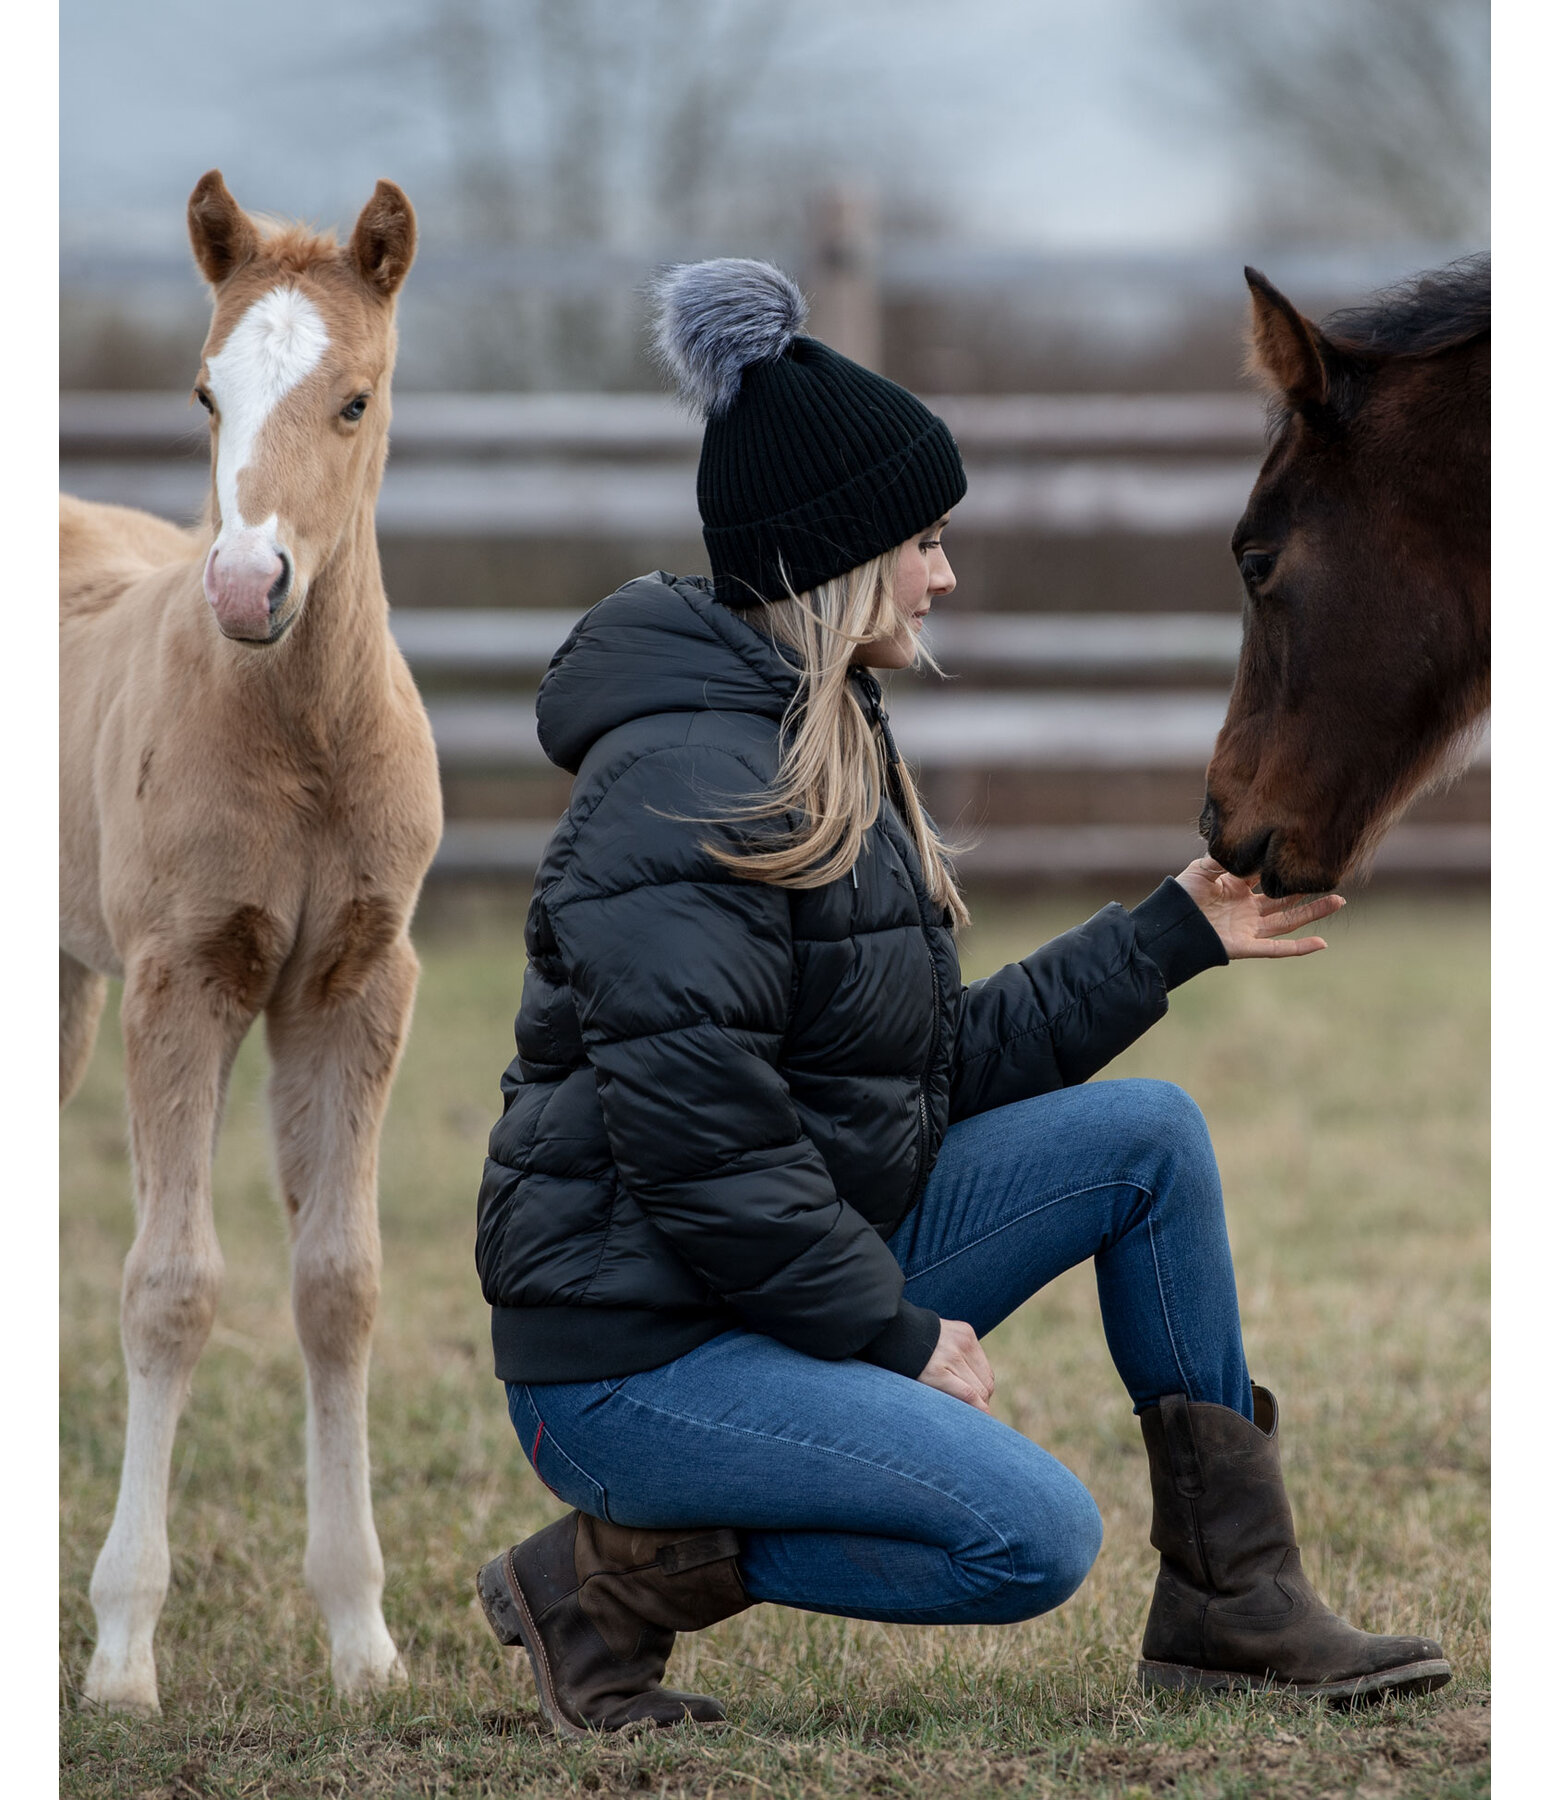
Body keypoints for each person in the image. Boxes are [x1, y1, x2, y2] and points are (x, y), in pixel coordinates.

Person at [470, 260, 1450, 1738]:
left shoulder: (817, 732)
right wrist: (894, 1334)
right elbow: (704, 1152)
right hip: (634, 1357)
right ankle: (602, 1582)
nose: (942, 576)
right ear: (841, 556)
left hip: (747, 1284)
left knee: (1147, 1140)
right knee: (1027, 1541)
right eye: (922, 543)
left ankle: (1230, 1602)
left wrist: (1167, 937)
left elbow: (917, 1067)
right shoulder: (685, 786)